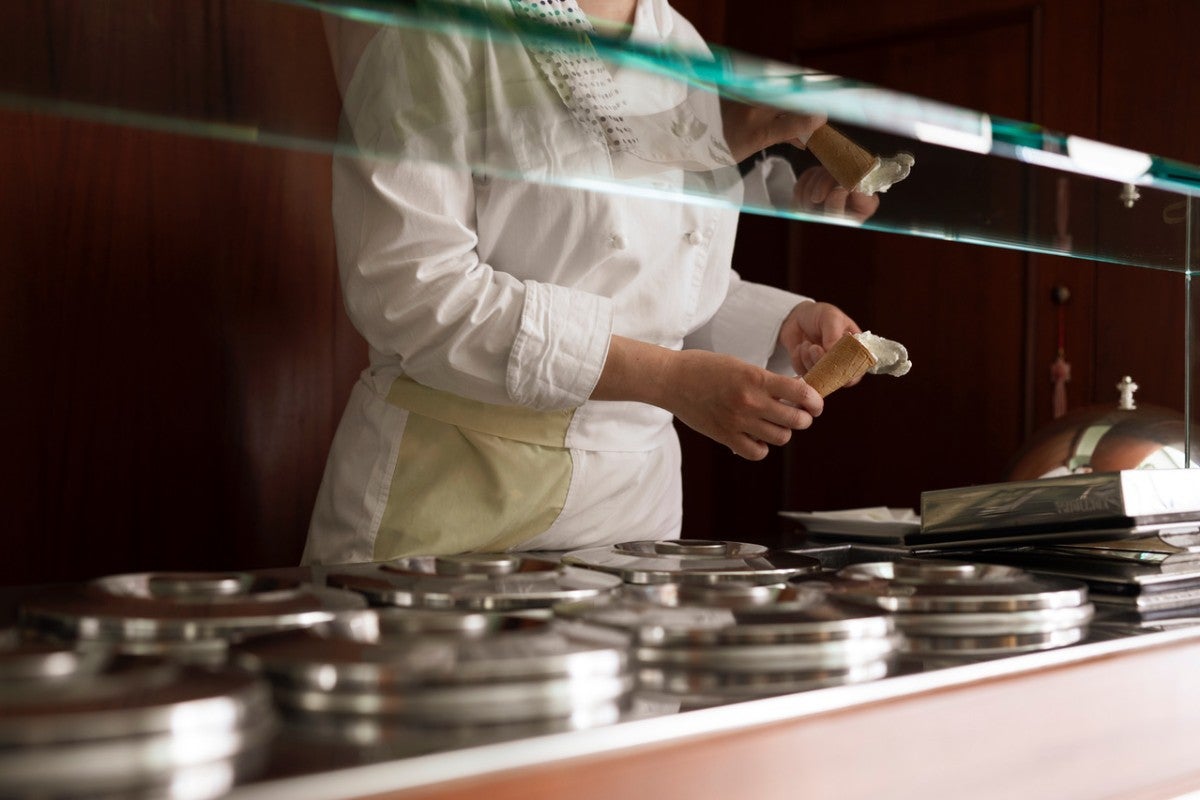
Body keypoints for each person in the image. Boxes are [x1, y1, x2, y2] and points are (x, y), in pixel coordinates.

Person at [302, 0, 877, 565]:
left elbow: (662, 289)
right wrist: (667, 379)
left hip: (631, 517)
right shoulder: (440, 23)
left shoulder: (683, 48)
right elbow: (412, 292)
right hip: (450, 492)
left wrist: (779, 324)